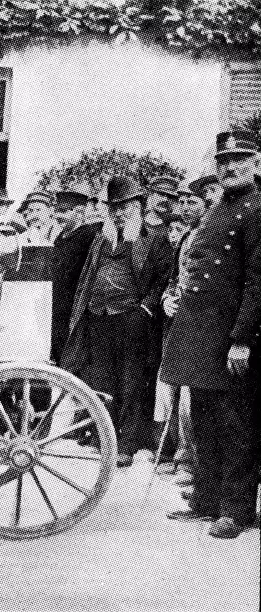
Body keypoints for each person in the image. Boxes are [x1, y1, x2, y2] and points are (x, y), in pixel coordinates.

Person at [160, 131, 261, 539]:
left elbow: (258, 280)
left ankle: (236, 511)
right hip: (202, 331)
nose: (230, 166)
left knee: (237, 421)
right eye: (224, 160)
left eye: (240, 159)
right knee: (204, 417)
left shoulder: (257, 209)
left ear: (256, 163)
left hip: (232, 334)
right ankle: (207, 499)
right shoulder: (219, 206)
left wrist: (242, 338)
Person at [61, 175, 172, 467]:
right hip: (98, 316)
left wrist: (146, 308)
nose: (119, 213)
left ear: (138, 206)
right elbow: (86, 276)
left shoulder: (155, 240)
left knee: (131, 380)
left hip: (131, 319)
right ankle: (106, 437)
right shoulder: (101, 239)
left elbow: (163, 279)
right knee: (101, 379)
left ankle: (127, 444)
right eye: (114, 208)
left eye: (125, 207)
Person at [155, 182, 208, 486]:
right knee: (170, 388)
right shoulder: (187, 236)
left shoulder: (209, 234)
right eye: (184, 202)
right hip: (178, 322)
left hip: (200, 325)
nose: (186, 207)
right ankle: (181, 455)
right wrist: (167, 299)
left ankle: (191, 463)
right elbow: (174, 279)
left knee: (191, 394)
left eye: (193, 202)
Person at [50, 187, 102, 362]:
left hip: (77, 307)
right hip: (59, 306)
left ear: (79, 212)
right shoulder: (60, 237)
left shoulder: (89, 235)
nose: (58, 216)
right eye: (57, 211)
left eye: (64, 212)